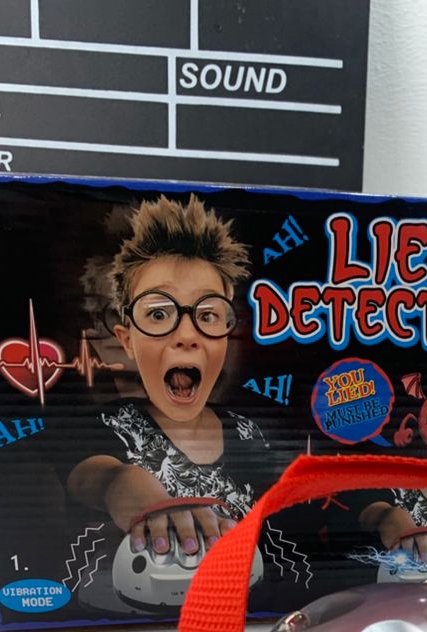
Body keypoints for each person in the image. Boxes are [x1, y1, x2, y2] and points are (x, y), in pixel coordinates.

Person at [66, 194, 274, 559]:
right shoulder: (105, 425)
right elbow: (93, 476)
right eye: (159, 314)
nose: (187, 335)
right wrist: (125, 485)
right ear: (127, 341)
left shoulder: (247, 433)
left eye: (207, 315)